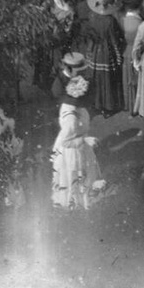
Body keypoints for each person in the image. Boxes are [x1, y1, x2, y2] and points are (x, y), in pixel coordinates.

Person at [50, 76, 103, 209]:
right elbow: (66, 142)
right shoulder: (71, 118)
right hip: (73, 153)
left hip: (80, 149)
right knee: (76, 178)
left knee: (84, 178)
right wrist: (85, 140)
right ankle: (76, 204)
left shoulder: (76, 107)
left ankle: (82, 202)